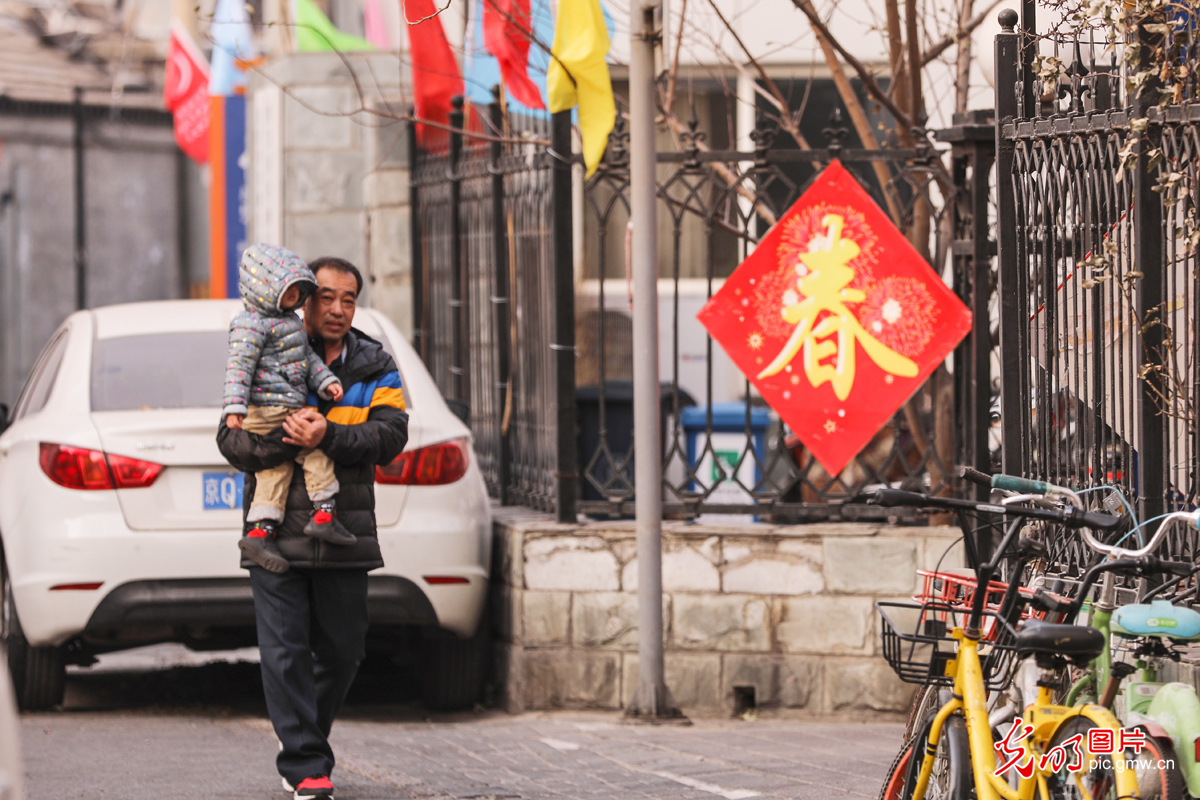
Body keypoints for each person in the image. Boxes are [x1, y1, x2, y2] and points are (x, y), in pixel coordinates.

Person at [217, 256, 409, 800]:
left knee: (344, 652)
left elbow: (392, 436)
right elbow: (231, 443)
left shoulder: (374, 365)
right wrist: (286, 441)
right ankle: (304, 764)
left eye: (349, 299)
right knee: (284, 653)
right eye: (326, 296)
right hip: (273, 534)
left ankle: (307, 738)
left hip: (343, 531)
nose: (338, 309)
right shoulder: (266, 351)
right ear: (303, 298)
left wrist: (326, 435)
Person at [223, 243, 356, 575]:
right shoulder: (250, 325)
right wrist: (235, 407)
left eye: (299, 290)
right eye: (290, 290)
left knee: (276, 471)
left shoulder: (290, 325)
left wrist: (325, 381)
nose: (295, 297)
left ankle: (261, 531)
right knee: (312, 449)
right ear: (266, 289)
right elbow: (238, 368)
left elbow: (308, 362)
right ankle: (324, 512)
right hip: (269, 408)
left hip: (286, 405)